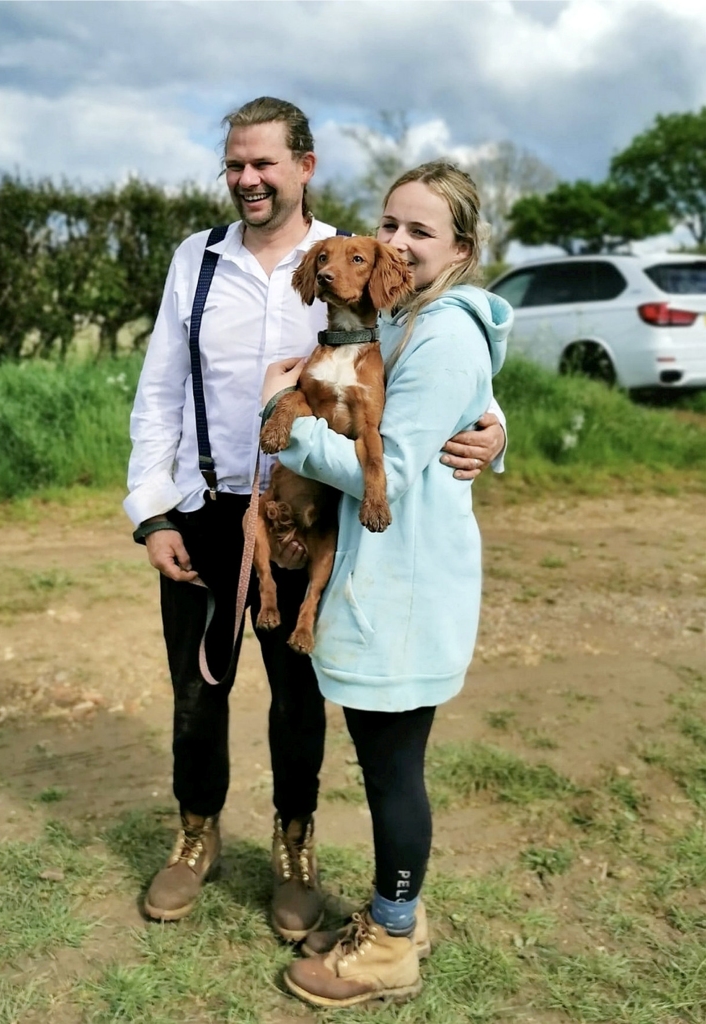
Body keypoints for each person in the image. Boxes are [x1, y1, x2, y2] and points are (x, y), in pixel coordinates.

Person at [124, 97, 507, 937]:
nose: (247, 179)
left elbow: (421, 365)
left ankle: (294, 846)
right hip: (207, 506)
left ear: (305, 165)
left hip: (309, 515)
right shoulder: (198, 258)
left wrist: (494, 426)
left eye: (264, 162)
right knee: (196, 690)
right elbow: (158, 393)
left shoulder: (360, 256)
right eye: (234, 164)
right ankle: (196, 838)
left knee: (298, 694)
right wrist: (151, 515)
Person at [256, 159, 513, 1007]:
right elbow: (454, 414)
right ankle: (396, 910)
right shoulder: (407, 323)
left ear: (463, 248)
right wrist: (495, 430)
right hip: (387, 577)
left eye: (421, 231)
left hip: (404, 585)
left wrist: (282, 424)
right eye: (390, 224)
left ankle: (389, 946)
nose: (396, 242)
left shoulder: (439, 332)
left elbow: (391, 473)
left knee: (392, 769)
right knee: (384, 761)